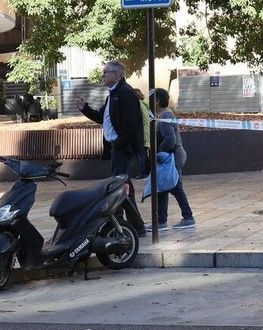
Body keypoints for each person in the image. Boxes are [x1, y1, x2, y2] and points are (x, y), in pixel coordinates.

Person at [83, 61, 148, 180]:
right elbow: (101, 117)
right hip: (117, 146)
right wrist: (84, 108)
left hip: (122, 147)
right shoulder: (112, 95)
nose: (103, 76)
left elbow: (130, 122)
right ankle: (127, 198)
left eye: (105, 72)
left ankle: (127, 199)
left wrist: (119, 142)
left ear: (117, 75)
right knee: (119, 181)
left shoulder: (125, 92)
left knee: (119, 181)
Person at [149, 88, 196, 232]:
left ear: (157, 101)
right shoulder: (163, 116)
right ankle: (161, 222)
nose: (149, 103)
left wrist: (159, 152)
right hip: (170, 157)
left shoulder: (164, 117)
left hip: (171, 158)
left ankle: (188, 217)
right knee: (162, 189)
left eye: (151, 99)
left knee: (175, 187)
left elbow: (170, 140)